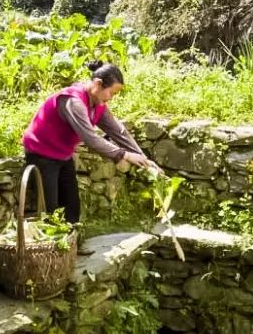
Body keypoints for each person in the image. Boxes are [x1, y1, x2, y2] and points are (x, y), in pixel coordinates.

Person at [21, 60, 159, 225]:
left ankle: (71, 247)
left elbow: (118, 131)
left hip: (63, 155)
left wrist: (143, 159)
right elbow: (90, 138)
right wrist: (124, 155)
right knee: (50, 211)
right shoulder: (74, 101)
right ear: (98, 84)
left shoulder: (98, 105)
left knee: (72, 208)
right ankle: (54, 249)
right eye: (112, 93)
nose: (111, 98)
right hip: (41, 154)